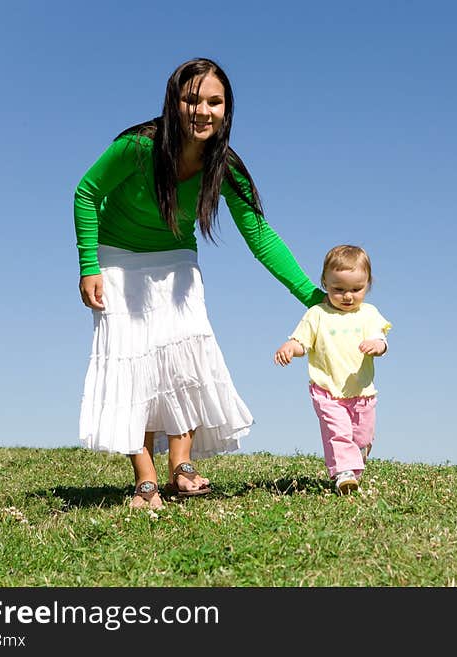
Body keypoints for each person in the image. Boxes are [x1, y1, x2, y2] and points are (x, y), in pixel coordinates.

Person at [74, 58, 324, 510]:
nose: (202, 110)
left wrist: (313, 297)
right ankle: (145, 478)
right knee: (133, 364)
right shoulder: (138, 147)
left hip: (175, 260)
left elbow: (261, 238)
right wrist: (88, 264)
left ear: (226, 110)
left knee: (187, 353)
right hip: (117, 258)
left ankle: (181, 467)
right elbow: (87, 191)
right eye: (192, 99)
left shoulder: (223, 166)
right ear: (173, 102)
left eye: (214, 101)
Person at [273, 245, 391, 494]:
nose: (348, 296)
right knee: (338, 432)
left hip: (362, 393)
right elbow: (301, 342)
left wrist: (376, 345)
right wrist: (289, 348)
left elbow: (381, 341)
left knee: (362, 438)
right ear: (325, 282)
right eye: (339, 289)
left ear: (368, 284)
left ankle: (353, 466)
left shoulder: (369, 314)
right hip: (327, 390)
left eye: (356, 289)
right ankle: (343, 473)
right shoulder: (317, 314)